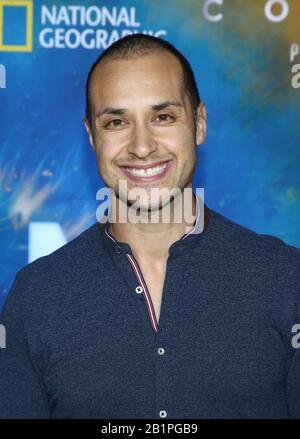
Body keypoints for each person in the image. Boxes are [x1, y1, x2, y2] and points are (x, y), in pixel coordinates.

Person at [0, 34, 300, 419]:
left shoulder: (285, 278)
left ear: (200, 123)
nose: (142, 146)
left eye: (163, 117)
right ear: (92, 136)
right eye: (116, 121)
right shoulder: (36, 296)